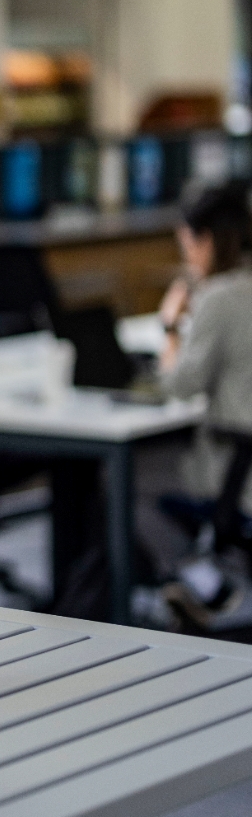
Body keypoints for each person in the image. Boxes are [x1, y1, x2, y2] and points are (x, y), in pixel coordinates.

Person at [157, 180, 252, 630]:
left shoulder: (219, 297)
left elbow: (179, 385)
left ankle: (201, 585)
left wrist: (170, 327)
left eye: (187, 246)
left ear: (207, 240)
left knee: (123, 481)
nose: (186, 259)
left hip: (239, 474)